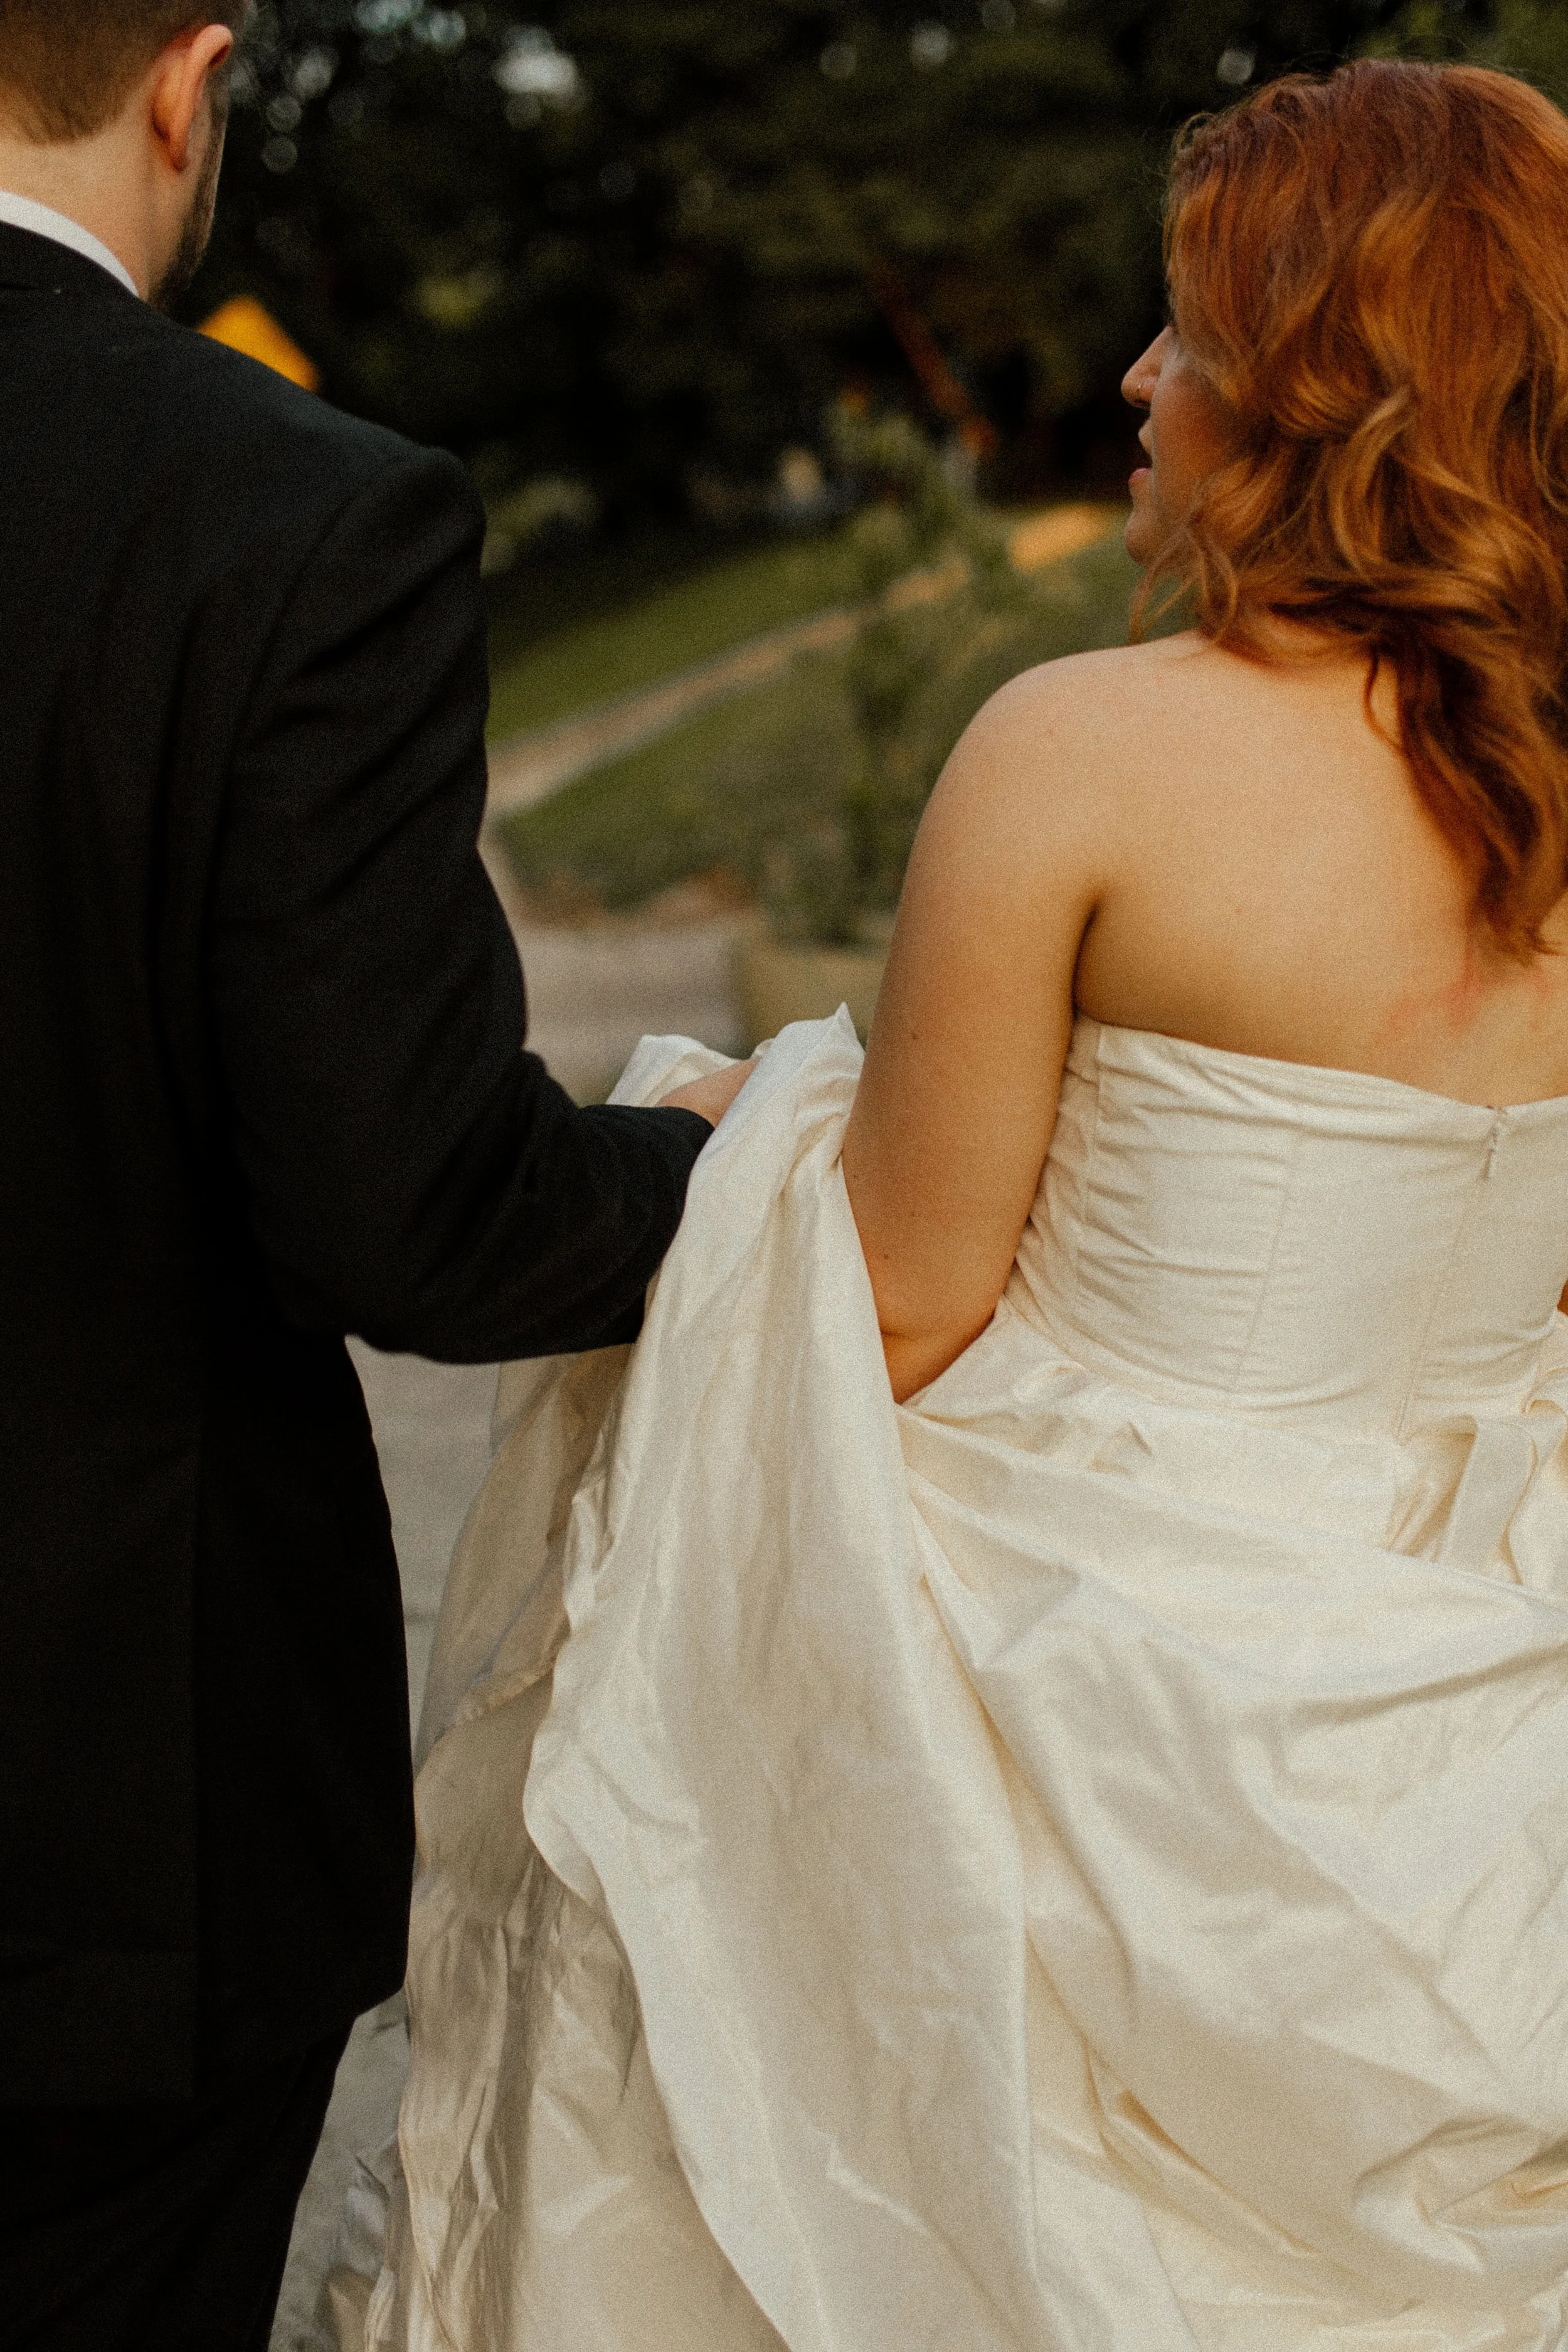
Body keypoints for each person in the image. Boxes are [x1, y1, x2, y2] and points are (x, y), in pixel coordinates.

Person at [346, 56, 1568, 2352]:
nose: (1130, 377)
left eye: (1190, 330)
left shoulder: (1084, 749)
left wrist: (752, 1107)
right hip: (1480, 1713)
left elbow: (899, 1300)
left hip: (1077, 1672)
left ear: (1323, 383)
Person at [0, 5, 750, 2346]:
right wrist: (702, 1165)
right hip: (86, 1836)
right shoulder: (281, 513)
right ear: (191, 79)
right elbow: (405, 1204)